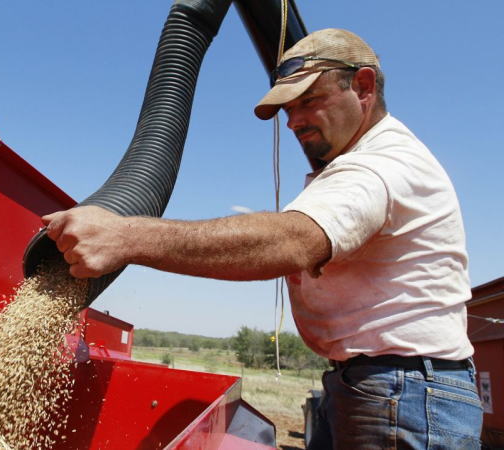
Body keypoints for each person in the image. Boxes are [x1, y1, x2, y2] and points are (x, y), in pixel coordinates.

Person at [41, 28, 482, 448]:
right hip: (379, 385)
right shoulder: (367, 162)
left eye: (309, 100)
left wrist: (125, 237)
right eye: (289, 109)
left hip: (404, 392)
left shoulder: (380, 166)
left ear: (363, 86)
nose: (294, 122)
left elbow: (293, 242)